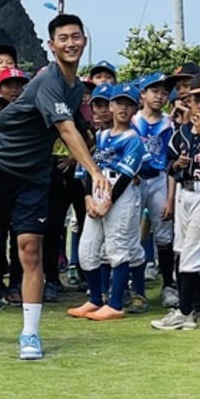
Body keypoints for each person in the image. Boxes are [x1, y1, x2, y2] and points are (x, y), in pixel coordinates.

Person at [0, 14, 111, 360]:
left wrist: (88, 160)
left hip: (35, 175)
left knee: (30, 250)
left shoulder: (76, 86)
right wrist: (94, 172)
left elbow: (76, 131)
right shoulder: (47, 81)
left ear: (84, 41)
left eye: (76, 37)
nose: (70, 43)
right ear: (52, 46)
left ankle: (30, 334)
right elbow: (66, 131)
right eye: (62, 38)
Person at [151, 74, 200, 332]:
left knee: (192, 253)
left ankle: (184, 312)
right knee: (189, 247)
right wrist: (179, 165)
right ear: (191, 101)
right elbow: (170, 166)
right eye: (198, 100)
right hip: (186, 192)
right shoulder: (182, 132)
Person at [67, 83, 145, 320]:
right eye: (119, 102)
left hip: (119, 195)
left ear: (135, 109)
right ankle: (95, 299)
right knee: (88, 249)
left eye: (129, 104)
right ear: (110, 106)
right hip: (98, 191)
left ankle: (115, 304)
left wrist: (107, 202)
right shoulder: (100, 136)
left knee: (117, 249)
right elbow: (91, 168)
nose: (123, 108)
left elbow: (125, 177)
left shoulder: (134, 139)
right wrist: (88, 197)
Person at [132, 72, 178, 308]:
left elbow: (172, 160)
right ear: (143, 94)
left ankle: (168, 285)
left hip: (160, 178)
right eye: (154, 91)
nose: (160, 96)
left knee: (164, 233)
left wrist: (171, 197)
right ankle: (135, 288)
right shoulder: (132, 120)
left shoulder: (169, 123)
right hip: (135, 180)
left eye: (164, 92)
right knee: (130, 232)